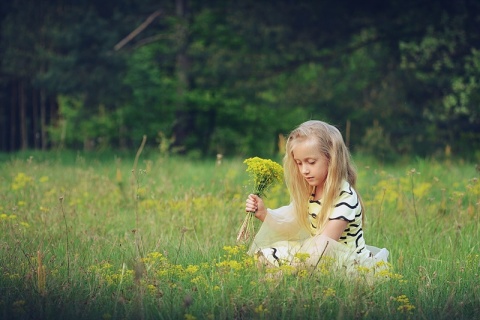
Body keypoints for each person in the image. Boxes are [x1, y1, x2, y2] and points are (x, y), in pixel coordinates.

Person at [245, 120, 389, 274]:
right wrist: (264, 214)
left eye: (311, 162)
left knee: (279, 266)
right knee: (263, 257)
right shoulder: (310, 191)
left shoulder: (345, 197)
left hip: (346, 263)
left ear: (332, 159)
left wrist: (290, 269)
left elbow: (325, 245)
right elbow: (291, 227)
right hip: (319, 252)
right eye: (299, 163)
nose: (304, 170)